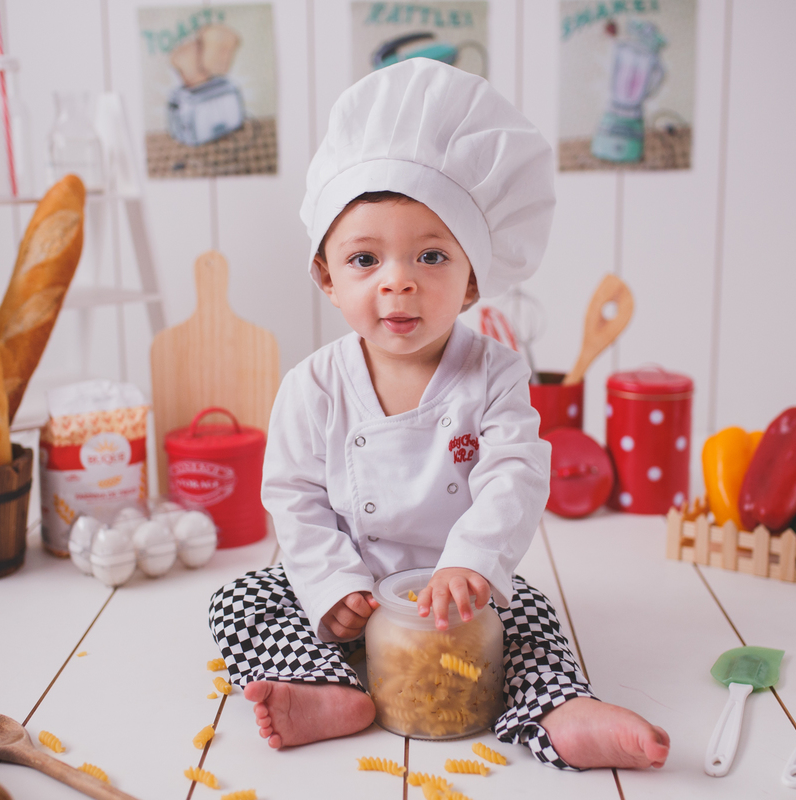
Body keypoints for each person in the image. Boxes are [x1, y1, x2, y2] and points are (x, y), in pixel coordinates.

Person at [208, 58, 669, 771]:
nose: (398, 280)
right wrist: (334, 589)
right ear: (325, 276)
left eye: (430, 254)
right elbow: (294, 498)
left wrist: (472, 565)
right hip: (355, 596)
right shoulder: (313, 386)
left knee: (536, 620)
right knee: (240, 599)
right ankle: (327, 687)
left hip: (460, 603)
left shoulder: (494, 374)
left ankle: (559, 709)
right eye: (365, 259)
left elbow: (515, 473)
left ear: (473, 278)